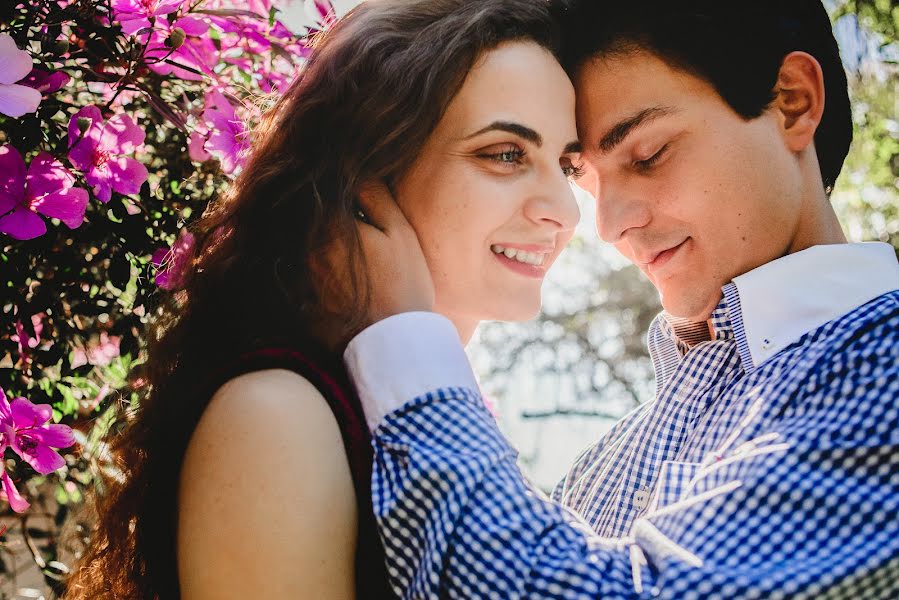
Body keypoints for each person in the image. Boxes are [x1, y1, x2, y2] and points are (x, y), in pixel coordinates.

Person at [344, 1, 899, 598]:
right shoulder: (603, 465)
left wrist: (403, 330)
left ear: (792, 101)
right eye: (584, 179)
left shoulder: (884, 366)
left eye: (647, 156)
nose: (608, 225)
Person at [63, 1, 582, 598]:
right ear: (369, 174)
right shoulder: (279, 413)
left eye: (566, 166)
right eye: (506, 154)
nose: (564, 212)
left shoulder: (423, 423)